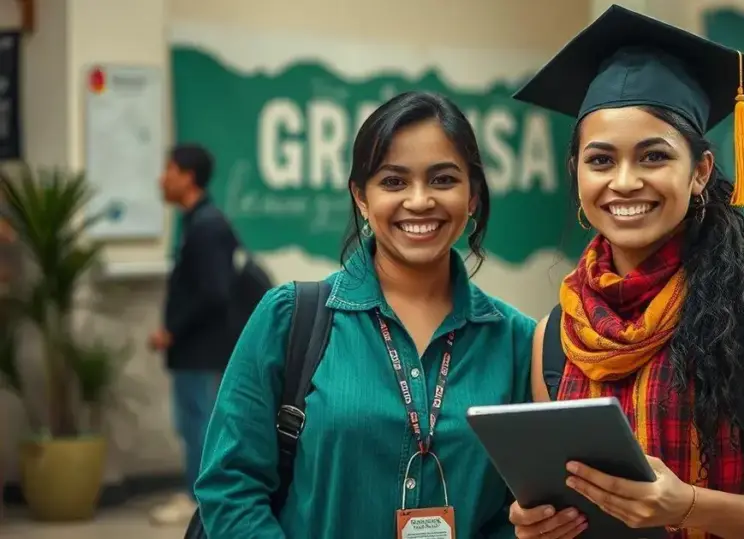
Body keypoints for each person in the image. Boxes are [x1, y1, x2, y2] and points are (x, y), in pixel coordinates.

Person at [507, 6, 744, 539]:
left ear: (700, 172)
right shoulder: (559, 334)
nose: (624, 182)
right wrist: (541, 524)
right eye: (600, 161)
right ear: (575, 174)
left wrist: (687, 505)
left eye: (653, 157)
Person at [194, 91, 535, 538]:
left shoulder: (517, 341)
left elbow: (523, 509)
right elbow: (229, 487)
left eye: (443, 180)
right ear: (361, 196)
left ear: (473, 195)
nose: (419, 201)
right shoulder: (290, 319)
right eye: (394, 182)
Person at [149, 143, 240, 525]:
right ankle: (195, 493)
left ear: (187, 177)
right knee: (191, 421)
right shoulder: (195, 223)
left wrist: (173, 329)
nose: (162, 179)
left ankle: (200, 500)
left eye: (168, 170)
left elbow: (214, 292)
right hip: (193, 350)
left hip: (202, 350)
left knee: (200, 422)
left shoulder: (208, 226)